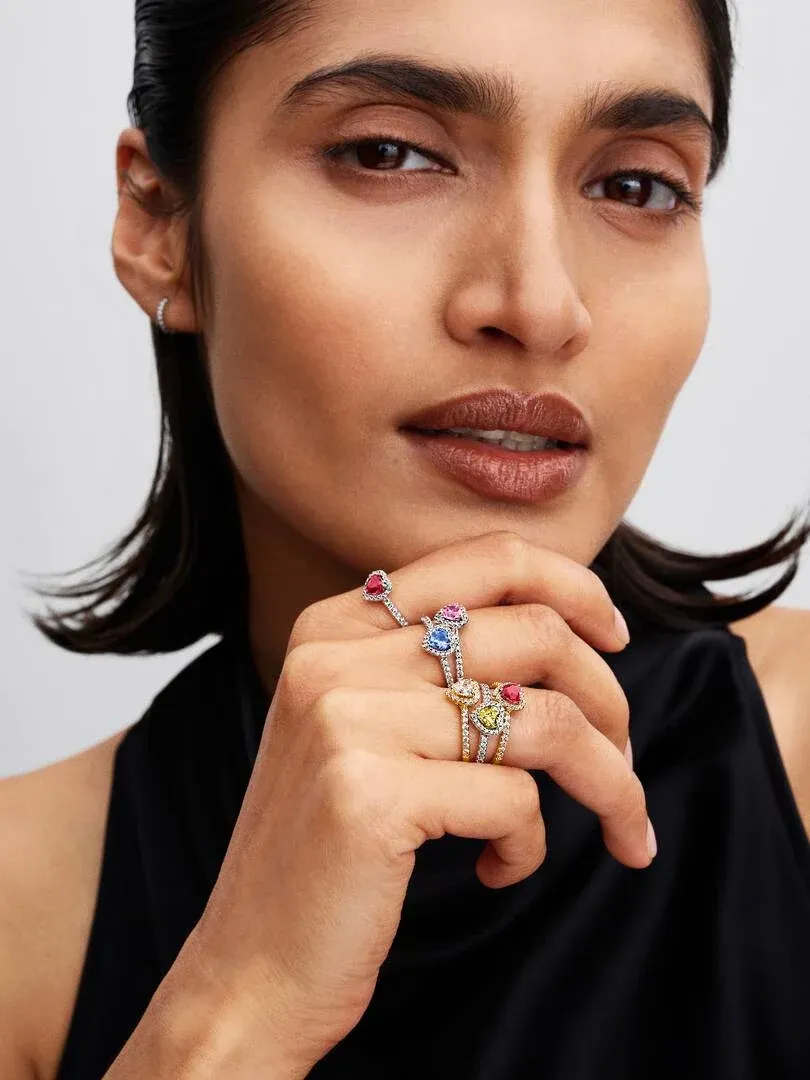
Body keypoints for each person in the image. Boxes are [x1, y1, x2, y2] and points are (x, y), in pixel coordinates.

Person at [2, 0, 810, 1076]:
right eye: (391, 154)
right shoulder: (22, 914)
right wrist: (236, 1009)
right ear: (160, 225)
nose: (539, 301)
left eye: (635, 184)